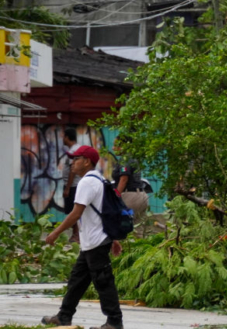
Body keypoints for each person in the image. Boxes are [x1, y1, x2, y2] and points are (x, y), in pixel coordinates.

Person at [43, 145, 124, 329]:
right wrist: (114, 239)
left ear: (86, 161)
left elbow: (75, 213)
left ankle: (114, 322)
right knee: (77, 281)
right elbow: (106, 213)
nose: (72, 163)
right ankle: (64, 316)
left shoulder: (86, 183)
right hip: (93, 242)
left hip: (95, 242)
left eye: (76, 158)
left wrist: (56, 232)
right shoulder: (101, 180)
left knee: (104, 283)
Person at [112, 136, 149, 236]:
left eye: (116, 145)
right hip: (141, 195)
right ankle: (140, 250)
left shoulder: (125, 160)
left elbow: (124, 179)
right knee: (138, 229)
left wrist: (116, 196)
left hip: (130, 196)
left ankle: (126, 250)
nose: (113, 148)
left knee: (124, 226)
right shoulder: (132, 158)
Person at [62, 128, 81, 243]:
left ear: (67, 137)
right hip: (73, 185)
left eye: (63, 136)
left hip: (73, 186)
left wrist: (68, 188)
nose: (62, 139)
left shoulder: (74, 151)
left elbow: (72, 171)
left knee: (73, 210)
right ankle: (76, 234)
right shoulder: (74, 149)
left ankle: (76, 235)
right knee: (72, 210)